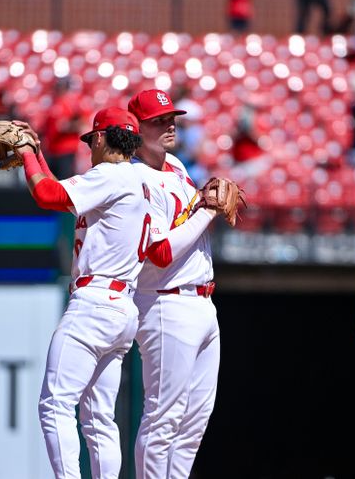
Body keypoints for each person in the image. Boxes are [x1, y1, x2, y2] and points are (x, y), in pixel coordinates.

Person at [15, 107, 150, 479]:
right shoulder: (139, 179)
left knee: (55, 404)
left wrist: (27, 153)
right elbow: (61, 190)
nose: (91, 147)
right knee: (98, 419)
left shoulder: (108, 175)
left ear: (103, 138)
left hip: (94, 304)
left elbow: (46, 193)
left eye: (92, 139)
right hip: (122, 307)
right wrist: (37, 152)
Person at [127, 89, 222, 479]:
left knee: (193, 424)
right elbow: (160, 251)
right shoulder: (136, 178)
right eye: (157, 120)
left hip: (202, 302)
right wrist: (207, 212)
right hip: (166, 303)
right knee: (162, 419)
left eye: (171, 117)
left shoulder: (178, 167)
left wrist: (203, 202)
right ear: (136, 129)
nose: (169, 124)